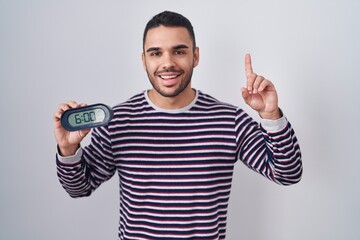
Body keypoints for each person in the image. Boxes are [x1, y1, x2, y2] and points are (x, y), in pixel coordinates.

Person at [54, 10, 302, 240]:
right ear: (144, 60)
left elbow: (288, 173)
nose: (167, 62)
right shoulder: (117, 121)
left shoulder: (230, 120)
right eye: (156, 53)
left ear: (195, 56)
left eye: (179, 51)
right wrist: (67, 151)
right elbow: (79, 188)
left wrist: (271, 115)